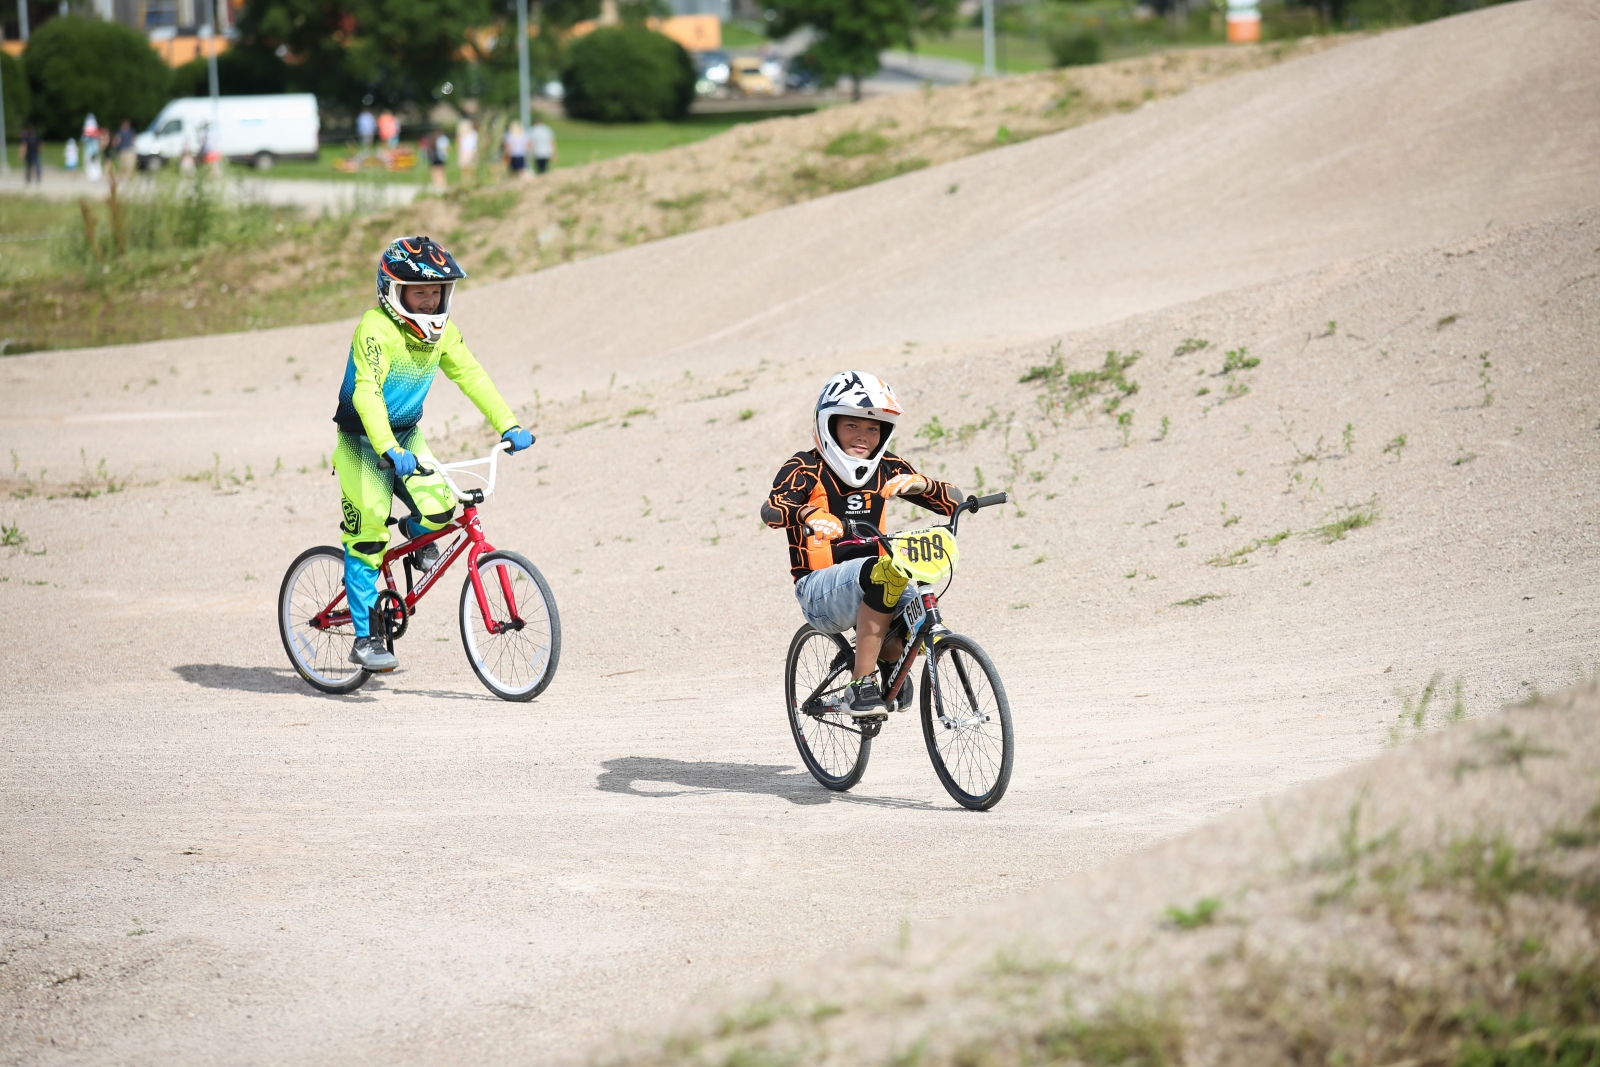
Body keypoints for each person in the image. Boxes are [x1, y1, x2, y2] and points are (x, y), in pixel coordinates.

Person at [331, 236, 534, 672]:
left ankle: (412, 533)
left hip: (405, 436)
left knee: (444, 507)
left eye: (436, 292)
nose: (428, 302)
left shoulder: (443, 335)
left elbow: (472, 376)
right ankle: (365, 639)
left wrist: (509, 424)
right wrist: (385, 446)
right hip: (362, 441)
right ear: (394, 292)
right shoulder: (375, 327)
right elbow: (365, 392)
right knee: (367, 535)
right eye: (419, 292)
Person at [762, 372, 962, 716]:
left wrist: (924, 485)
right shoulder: (806, 466)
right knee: (879, 572)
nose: (863, 436)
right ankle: (860, 685)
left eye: (873, 428)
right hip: (818, 591)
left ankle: (888, 665)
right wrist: (808, 513)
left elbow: (954, 502)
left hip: (877, 579)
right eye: (852, 425)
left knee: (917, 615)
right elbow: (771, 510)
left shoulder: (887, 467)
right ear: (829, 424)